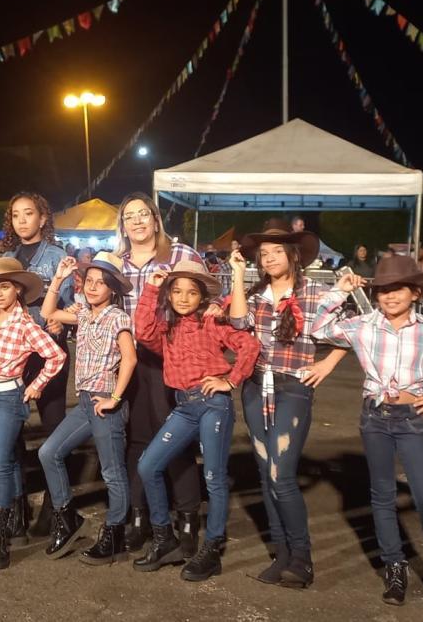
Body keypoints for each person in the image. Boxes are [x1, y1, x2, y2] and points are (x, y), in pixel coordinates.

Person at [312, 256, 423, 609]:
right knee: (382, 496)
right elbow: (319, 329)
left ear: (414, 293)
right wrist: (338, 292)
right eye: (383, 290)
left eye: (397, 289)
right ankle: (394, 567)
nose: (389, 296)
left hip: (411, 419)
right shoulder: (363, 325)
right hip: (374, 417)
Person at [227, 219, 350, 588]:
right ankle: (281, 554)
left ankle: (302, 558)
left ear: (293, 255)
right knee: (266, 473)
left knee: (281, 474)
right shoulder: (255, 295)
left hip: (293, 389)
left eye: (277, 251)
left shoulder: (316, 293)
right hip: (255, 387)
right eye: (263, 253)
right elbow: (238, 323)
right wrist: (237, 275)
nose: (269, 258)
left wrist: (327, 364)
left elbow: (352, 331)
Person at [133, 260, 259, 579]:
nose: (183, 298)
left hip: (213, 404)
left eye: (191, 292)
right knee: (148, 466)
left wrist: (230, 380)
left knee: (214, 476)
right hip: (184, 407)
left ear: (202, 296)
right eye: (176, 291)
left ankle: (212, 548)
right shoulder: (167, 329)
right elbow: (143, 331)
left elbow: (249, 345)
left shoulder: (211, 321)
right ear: (169, 295)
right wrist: (151, 288)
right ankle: (165, 539)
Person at [114, 192, 208, 556]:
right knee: (136, 438)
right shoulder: (116, 263)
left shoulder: (181, 255)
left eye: (143, 214)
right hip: (131, 358)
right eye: (129, 216)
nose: (137, 221)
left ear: (156, 220)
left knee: (175, 437)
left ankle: (187, 518)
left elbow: (208, 300)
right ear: (123, 226)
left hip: (173, 356)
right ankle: (140, 517)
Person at [0, 257, 67, 570]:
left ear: (17, 289)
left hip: (10, 398)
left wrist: (37, 385)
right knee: (6, 460)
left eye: (4, 286)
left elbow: (56, 356)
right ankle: (16, 525)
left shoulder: (25, 325)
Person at [38, 253, 136, 565]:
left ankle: (114, 534)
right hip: (84, 403)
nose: (92, 287)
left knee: (112, 472)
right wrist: (58, 278)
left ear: (113, 289)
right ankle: (67, 517)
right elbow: (47, 312)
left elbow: (130, 358)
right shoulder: (82, 313)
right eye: (89, 281)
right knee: (48, 452)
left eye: (100, 283)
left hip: (105, 402)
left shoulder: (117, 317)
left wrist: (115, 398)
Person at [0, 191, 73, 539]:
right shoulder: (6, 259)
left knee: (53, 429)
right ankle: (16, 507)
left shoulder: (58, 257)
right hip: (14, 355)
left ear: (43, 218)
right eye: (16, 215)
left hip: (48, 353)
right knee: (11, 433)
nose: (22, 220)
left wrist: (61, 321)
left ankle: (54, 507)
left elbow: (72, 305)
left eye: (29, 213)